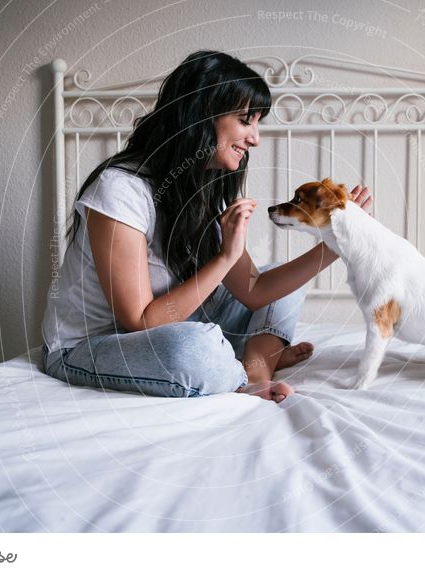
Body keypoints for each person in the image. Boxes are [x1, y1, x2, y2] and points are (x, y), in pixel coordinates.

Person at [41, 50, 372, 403]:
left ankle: (255, 368)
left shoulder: (202, 187)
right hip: (94, 345)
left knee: (281, 283)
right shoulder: (120, 190)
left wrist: (336, 242)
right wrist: (226, 257)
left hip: (172, 323)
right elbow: (141, 321)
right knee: (194, 348)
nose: (256, 138)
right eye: (246, 120)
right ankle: (249, 360)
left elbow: (255, 290)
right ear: (202, 116)